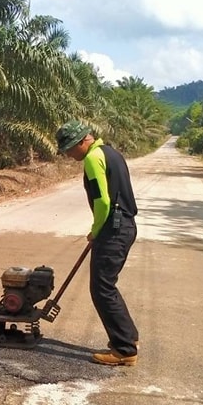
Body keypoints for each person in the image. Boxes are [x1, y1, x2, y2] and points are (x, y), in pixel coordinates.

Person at [55, 120, 139, 366]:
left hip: (113, 229)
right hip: (125, 226)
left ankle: (124, 350)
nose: (70, 155)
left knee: (102, 289)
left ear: (84, 140)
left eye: (71, 149)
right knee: (106, 286)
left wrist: (95, 231)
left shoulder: (93, 159)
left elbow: (102, 201)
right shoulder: (111, 152)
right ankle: (129, 338)